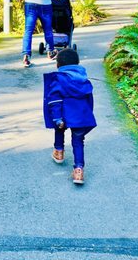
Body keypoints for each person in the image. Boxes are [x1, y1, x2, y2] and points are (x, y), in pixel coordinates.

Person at [43, 49, 97, 184]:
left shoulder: (58, 79)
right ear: (77, 63)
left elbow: (55, 100)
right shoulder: (84, 80)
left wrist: (57, 118)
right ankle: (78, 171)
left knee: (59, 129)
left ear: (58, 65)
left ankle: (59, 152)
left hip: (63, 115)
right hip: (80, 117)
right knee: (78, 141)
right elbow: (89, 101)